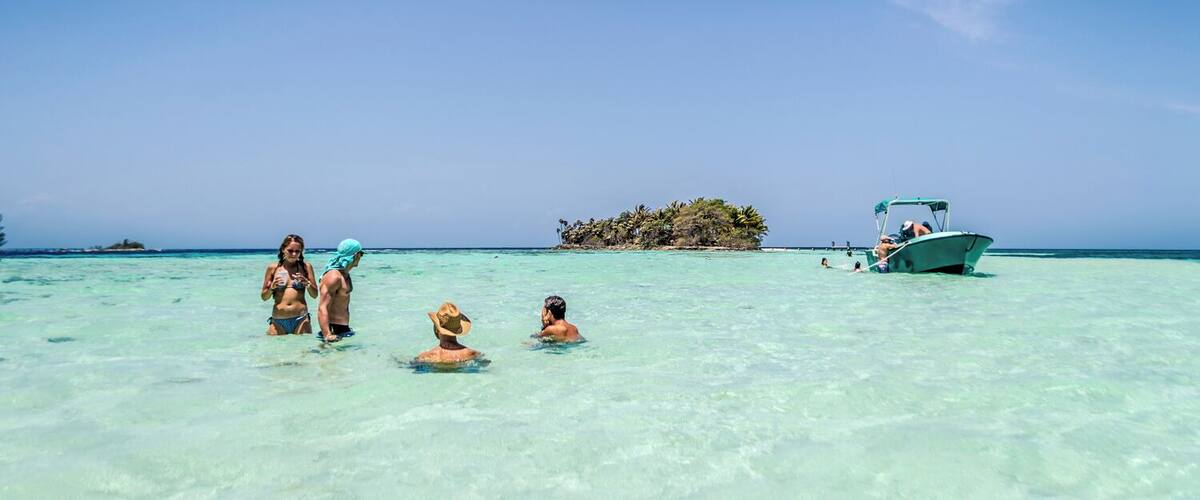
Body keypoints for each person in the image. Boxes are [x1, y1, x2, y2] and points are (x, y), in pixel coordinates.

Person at [261, 234, 318, 335]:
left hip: (301, 319)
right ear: (283, 249)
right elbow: (264, 297)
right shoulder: (273, 268)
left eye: (297, 251)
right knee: (275, 351)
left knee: (304, 350)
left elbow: (315, 295)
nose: (294, 254)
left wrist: (307, 283)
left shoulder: (306, 267)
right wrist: (271, 288)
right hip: (278, 320)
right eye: (290, 250)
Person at [317, 239, 363, 343]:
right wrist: (327, 334)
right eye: (361, 254)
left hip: (343, 328)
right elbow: (322, 307)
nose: (361, 257)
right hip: (333, 329)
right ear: (356, 255)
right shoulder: (334, 277)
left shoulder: (345, 274)